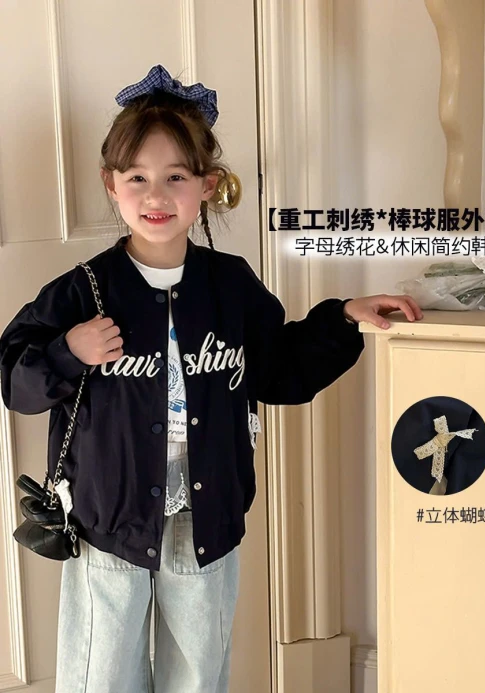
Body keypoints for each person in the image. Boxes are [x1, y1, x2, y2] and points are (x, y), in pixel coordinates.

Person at [0, 65, 422, 693]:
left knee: (198, 674)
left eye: (176, 176)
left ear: (208, 185)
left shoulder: (230, 286)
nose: (156, 195)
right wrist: (68, 351)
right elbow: (15, 380)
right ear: (111, 184)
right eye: (137, 177)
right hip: (108, 521)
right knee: (99, 676)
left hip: (206, 518)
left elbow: (278, 369)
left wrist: (341, 320)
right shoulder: (84, 290)